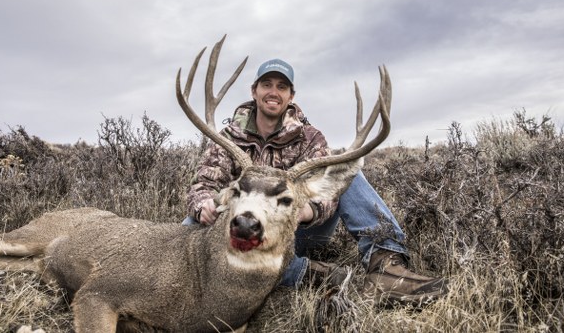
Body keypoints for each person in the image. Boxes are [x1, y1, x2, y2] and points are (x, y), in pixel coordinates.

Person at [184, 58, 448, 305]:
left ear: (291, 96)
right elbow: (203, 184)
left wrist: (308, 211)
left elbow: (328, 192)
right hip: (245, 230)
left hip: (298, 229)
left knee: (345, 171)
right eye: (266, 84)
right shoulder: (229, 137)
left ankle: (387, 267)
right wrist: (203, 203)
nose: (273, 91)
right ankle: (302, 273)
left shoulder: (310, 139)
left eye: (281, 86)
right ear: (254, 91)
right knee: (189, 228)